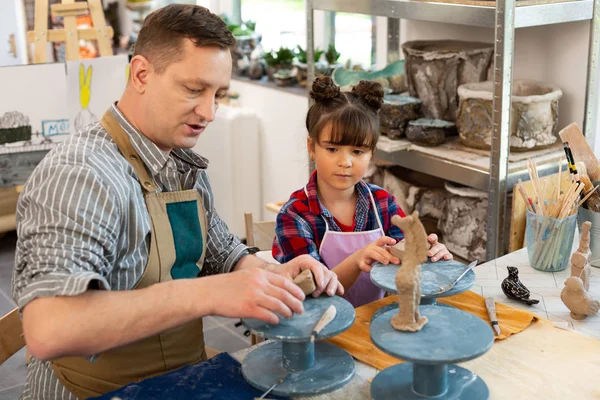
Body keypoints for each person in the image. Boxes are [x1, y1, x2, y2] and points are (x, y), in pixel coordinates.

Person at [12, 5, 342, 400]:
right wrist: (212, 293)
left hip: (180, 379)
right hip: (96, 392)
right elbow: (50, 329)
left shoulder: (178, 160)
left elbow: (221, 251)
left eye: (219, 94)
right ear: (141, 75)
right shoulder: (81, 174)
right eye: (193, 89)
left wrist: (272, 275)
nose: (209, 112)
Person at [272, 77, 451, 308]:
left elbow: (404, 264)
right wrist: (357, 260)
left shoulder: (383, 204)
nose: (345, 162)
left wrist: (430, 256)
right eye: (332, 149)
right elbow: (309, 297)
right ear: (312, 148)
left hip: (372, 323)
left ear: (371, 154)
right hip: (318, 332)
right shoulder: (295, 215)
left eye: (357, 151)